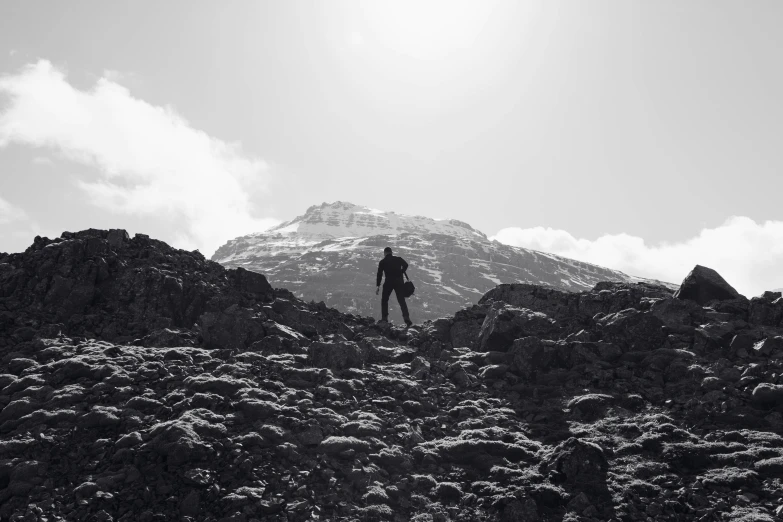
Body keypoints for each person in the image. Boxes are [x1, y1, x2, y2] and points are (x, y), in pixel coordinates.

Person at [376, 247, 412, 326]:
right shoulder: (398, 259)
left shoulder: (383, 262)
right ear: (391, 252)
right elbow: (406, 265)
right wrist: (401, 272)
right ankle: (406, 317)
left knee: (384, 300)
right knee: (401, 300)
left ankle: (384, 318)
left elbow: (379, 274)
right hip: (399, 282)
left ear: (385, 253)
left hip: (388, 282)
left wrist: (378, 285)